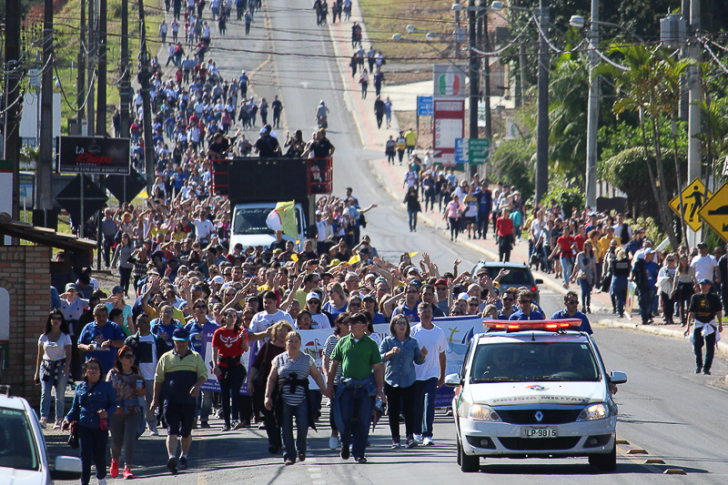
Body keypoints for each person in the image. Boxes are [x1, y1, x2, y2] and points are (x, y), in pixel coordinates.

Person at [326, 312, 386, 463]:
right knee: (344, 419)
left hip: (365, 389)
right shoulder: (343, 342)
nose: (350, 325)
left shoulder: (371, 344)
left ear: (363, 325)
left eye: (353, 322)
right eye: (349, 323)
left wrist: (379, 390)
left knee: (364, 421)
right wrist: (329, 386)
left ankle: (359, 453)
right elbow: (333, 364)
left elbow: (377, 368)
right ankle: (346, 443)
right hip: (346, 387)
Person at [150, 327, 208, 474]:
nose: (181, 345)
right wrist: (155, 399)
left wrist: (197, 385)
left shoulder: (195, 357)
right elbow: (158, 379)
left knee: (186, 432)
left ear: (188, 341)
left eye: (184, 342)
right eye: (178, 342)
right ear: (174, 342)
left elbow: (203, 375)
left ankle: (184, 455)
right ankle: (172, 457)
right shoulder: (166, 357)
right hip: (170, 400)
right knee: (172, 430)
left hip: (189, 400)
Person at [265, 331, 327, 465]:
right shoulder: (279, 359)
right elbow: (272, 378)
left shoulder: (307, 359)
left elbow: (316, 375)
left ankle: (301, 449)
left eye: (296, 341)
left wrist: (323, 388)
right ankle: (289, 455)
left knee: (303, 425)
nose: (293, 344)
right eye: (290, 341)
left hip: (302, 397)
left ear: (300, 343)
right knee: (285, 427)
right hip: (284, 397)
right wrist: (267, 396)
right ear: (286, 343)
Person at [63, 358, 117, 485]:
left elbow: (114, 405)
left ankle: (101, 479)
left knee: (99, 456)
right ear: (86, 371)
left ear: (100, 371)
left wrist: (106, 413)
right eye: (90, 368)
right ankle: (84, 482)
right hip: (84, 426)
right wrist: (67, 419)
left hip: (100, 427)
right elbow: (75, 408)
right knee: (85, 456)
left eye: (96, 368)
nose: (93, 371)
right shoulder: (80, 387)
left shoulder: (107, 387)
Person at [380, 315, 427, 448]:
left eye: (404, 323)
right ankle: (395, 439)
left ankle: (409, 437)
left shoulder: (412, 342)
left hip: (409, 380)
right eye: (399, 323)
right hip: (392, 380)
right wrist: (390, 353)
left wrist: (423, 355)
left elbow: (418, 360)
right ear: (393, 326)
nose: (402, 326)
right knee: (393, 411)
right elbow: (380, 357)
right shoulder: (388, 341)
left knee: (409, 410)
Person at [249, 320, 292, 454]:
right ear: (275, 333)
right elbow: (256, 365)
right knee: (268, 416)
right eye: (280, 331)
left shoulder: (291, 348)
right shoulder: (267, 346)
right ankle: (273, 442)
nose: (283, 334)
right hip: (266, 386)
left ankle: (282, 441)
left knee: (281, 416)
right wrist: (249, 381)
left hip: (284, 387)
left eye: (285, 331)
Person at [124, 314, 168, 436]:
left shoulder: (157, 340)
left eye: (148, 322)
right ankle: (140, 427)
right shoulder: (131, 341)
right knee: (139, 404)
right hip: (137, 378)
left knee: (152, 403)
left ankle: (152, 426)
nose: (147, 324)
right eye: (143, 322)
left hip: (153, 377)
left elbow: (166, 356)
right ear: (137, 324)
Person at [411, 302, 447, 446]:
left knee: (429, 402)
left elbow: (442, 355)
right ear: (418, 314)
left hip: (432, 375)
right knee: (417, 405)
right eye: (423, 312)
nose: (427, 314)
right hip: (415, 374)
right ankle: (416, 433)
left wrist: (442, 376)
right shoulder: (412, 331)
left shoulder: (439, 332)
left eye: (429, 312)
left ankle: (428, 434)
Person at [107, 346, 146, 479]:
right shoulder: (113, 373)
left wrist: (142, 392)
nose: (131, 359)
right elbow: (107, 391)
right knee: (116, 441)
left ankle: (127, 467)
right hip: (116, 412)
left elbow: (144, 389)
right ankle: (115, 460)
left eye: (132, 356)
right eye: (127, 356)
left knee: (129, 438)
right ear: (120, 358)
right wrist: (113, 405)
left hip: (133, 410)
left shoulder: (137, 373)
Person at [212, 308, 250, 431]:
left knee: (235, 392)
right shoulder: (219, 332)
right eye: (230, 316)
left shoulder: (240, 331)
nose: (232, 318)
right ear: (225, 318)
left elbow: (246, 348)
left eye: (234, 316)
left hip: (236, 364)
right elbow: (214, 351)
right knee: (224, 393)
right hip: (223, 365)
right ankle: (226, 422)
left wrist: (243, 338)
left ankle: (235, 419)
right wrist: (215, 366)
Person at [35, 310, 72, 428]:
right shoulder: (44, 337)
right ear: (50, 320)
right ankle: (44, 418)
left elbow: (69, 354)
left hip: (60, 366)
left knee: (60, 394)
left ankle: (58, 419)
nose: (56, 321)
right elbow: (39, 355)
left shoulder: (65, 337)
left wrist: (67, 366)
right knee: (45, 393)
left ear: (62, 321)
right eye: (54, 318)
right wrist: (36, 373)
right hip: (46, 366)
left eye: (59, 318)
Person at [322, 313, 350, 449]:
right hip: (335, 380)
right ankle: (334, 433)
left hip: (350, 380)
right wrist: (327, 376)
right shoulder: (332, 339)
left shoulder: (353, 339)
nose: (348, 325)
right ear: (338, 324)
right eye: (345, 322)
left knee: (349, 410)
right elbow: (325, 359)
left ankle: (347, 436)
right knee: (335, 409)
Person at [685, 279, 723, 375]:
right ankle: (698, 365)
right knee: (697, 345)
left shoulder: (714, 297)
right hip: (699, 323)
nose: (703, 286)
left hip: (710, 323)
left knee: (710, 347)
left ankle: (706, 368)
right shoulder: (695, 297)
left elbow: (718, 311)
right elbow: (691, 312)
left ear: (709, 286)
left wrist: (720, 324)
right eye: (702, 285)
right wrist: (688, 327)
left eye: (705, 285)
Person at [78, 304, 126, 377]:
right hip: (92, 368)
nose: (101, 318)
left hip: (109, 367)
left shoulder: (114, 327)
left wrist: (110, 342)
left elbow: (122, 342)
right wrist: (87, 347)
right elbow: (79, 344)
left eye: (103, 316)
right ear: (94, 316)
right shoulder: (88, 327)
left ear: (107, 315)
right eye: (98, 316)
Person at [570, 240, 597, 313]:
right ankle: (583, 306)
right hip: (582, 275)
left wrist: (595, 276)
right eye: (587, 245)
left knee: (588, 292)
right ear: (584, 246)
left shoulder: (592, 255)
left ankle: (588, 306)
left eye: (590, 246)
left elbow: (594, 266)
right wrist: (573, 274)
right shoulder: (580, 255)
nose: (588, 247)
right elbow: (576, 265)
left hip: (590, 275)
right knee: (584, 291)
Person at [609, 248, 631, 318]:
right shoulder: (627, 262)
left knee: (619, 298)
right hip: (624, 280)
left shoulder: (614, 262)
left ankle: (620, 312)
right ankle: (627, 311)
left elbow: (613, 271)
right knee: (625, 297)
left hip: (617, 280)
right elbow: (628, 271)